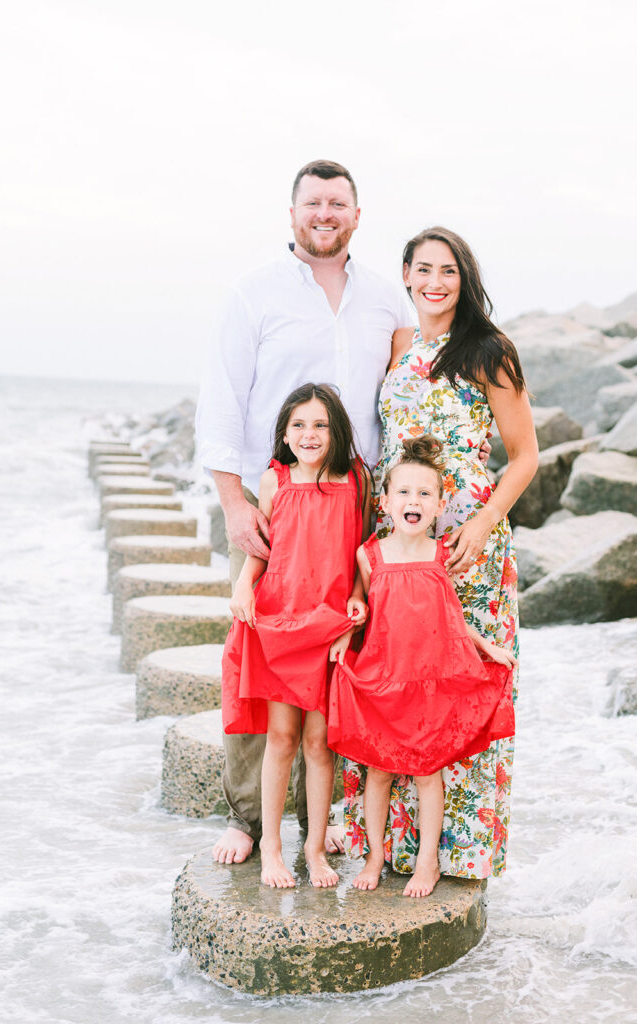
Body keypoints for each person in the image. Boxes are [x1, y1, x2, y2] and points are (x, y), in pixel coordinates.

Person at [195, 159, 413, 865]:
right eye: (313, 202)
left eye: (338, 203)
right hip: (273, 502)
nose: (325, 213)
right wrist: (234, 504)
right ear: (292, 213)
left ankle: (332, 827)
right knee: (256, 661)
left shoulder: (385, 297)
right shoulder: (253, 292)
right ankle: (249, 821)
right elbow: (222, 400)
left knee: (341, 668)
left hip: (356, 503)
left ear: (356, 215)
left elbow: (401, 394)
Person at [343, 226, 538, 881]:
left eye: (447, 271)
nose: (434, 282)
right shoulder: (398, 345)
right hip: (397, 543)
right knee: (395, 684)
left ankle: (459, 848)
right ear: (404, 275)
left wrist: (484, 522)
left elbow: (524, 455)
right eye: (422, 269)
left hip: (464, 549)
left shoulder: (488, 350)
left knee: (458, 689)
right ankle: (389, 846)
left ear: (464, 278)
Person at [328, 435, 517, 897]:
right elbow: (360, 601)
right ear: (386, 502)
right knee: (379, 772)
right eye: (405, 493)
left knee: (428, 773)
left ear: (439, 505)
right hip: (384, 682)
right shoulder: (369, 555)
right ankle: (375, 855)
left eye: (425, 494)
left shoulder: (439, 558)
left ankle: (428, 860)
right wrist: (347, 625)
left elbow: (451, 619)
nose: (414, 501)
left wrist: (486, 647)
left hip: (429, 685)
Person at [222, 383, 371, 887]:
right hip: (280, 620)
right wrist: (244, 584)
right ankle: (271, 848)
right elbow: (262, 548)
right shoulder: (273, 479)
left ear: (337, 431)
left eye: (321, 425)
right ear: (284, 433)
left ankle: (315, 849)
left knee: (319, 743)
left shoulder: (356, 480)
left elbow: (361, 548)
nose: (310, 434)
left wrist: (357, 596)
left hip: (328, 622)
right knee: (281, 737)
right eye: (300, 425)